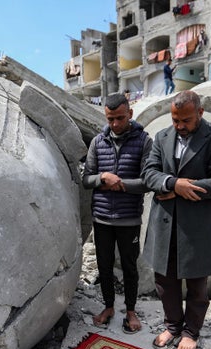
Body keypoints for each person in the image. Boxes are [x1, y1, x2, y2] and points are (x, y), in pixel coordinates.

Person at [141, 90, 211, 349]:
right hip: (164, 223)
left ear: (200, 113)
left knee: (196, 283)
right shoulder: (162, 137)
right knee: (164, 280)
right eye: (175, 120)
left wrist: (185, 188)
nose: (180, 126)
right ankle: (173, 325)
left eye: (186, 120)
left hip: (196, 226)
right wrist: (172, 183)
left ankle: (191, 331)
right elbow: (149, 173)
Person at [82, 93, 153, 334]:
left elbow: (147, 181)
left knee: (130, 266)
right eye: (110, 119)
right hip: (101, 218)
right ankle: (109, 306)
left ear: (130, 114)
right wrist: (102, 177)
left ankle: (131, 310)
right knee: (104, 265)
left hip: (129, 218)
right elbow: (86, 179)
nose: (115, 124)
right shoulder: (97, 142)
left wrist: (119, 182)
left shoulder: (144, 141)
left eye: (120, 118)